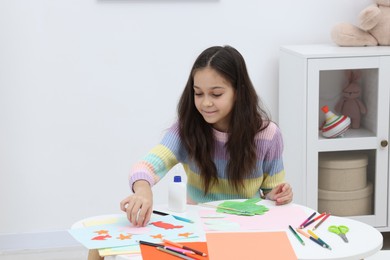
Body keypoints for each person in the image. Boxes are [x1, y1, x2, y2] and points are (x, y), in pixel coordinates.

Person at [120, 45, 293, 227]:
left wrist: (279, 194)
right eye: (198, 93)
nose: (206, 102)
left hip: (248, 226)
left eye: (216, 94)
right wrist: (142, 190)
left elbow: (271, 192)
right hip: (199, 226)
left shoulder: (267, 134)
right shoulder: (185, 130)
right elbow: (145, 166)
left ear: (238, 92)